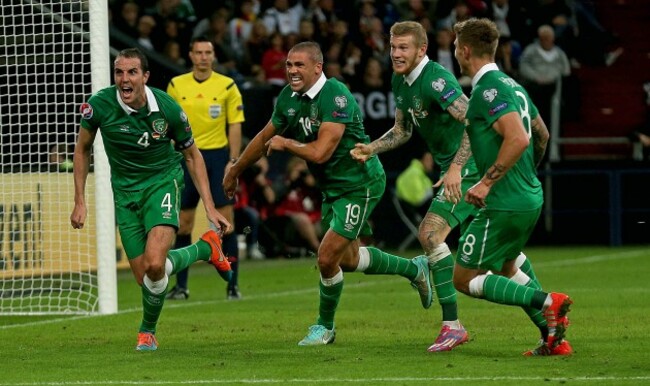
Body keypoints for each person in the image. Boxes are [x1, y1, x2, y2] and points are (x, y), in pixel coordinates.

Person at [351, 20, 547, 353]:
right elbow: (402, 131)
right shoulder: (401, 81)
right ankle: (549, 321)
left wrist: (457, 167)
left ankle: (452, 325)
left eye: (403, 48)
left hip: (469, 168)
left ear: (421, 50)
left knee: (430, 233)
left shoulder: (437, 79)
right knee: (506, 262)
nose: (396, 54)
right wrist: (372, 147)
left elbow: (473, 118)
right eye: (393, 46)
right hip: (457, 168)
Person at [223, 41, 433, 346]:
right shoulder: (289, 98)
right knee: (346, 260)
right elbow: (264, 136)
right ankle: (414, 268)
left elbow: (321, 152)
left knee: (325, 257)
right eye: (289, 65)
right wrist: (236, 169)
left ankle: (325, 327)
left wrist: (288, 144)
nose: (292, 71)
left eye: (299, 65)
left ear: (317, 67)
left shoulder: (336, 96)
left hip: (359, 183)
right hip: (333, 187)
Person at [70, 47, 232, 351]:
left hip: (163, 182)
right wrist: (80, 199)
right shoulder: (99, 105)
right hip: (124, 192)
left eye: (132, 72)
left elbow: (192, 155)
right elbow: (82, 149)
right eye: (119, 72)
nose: (124, 79)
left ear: (145, 76)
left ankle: (147, 331)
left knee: (156, 264)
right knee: (146, 276)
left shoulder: (167, 108)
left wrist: (209, 206)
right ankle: (204, 248)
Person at [452, 17, 573, 356]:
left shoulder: (487, 91)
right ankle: (554, 339)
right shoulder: (514, 86)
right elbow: (542, 135)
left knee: (463, 278)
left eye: (455, 47)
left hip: (503, 203)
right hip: (527, 196)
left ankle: (548, 301)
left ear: (464, 50)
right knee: (507, 265)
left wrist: (488, 182)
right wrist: (524, 177)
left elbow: (518, 137)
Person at [165, 36, 245, 300]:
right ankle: (182, 286)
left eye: (207, 52)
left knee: (226, 223)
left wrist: (232, 162)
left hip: (215, 159)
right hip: (186, 156)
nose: (202, 57)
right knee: (184, 224)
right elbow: (167, 124)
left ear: (213, 56)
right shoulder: (176, 85)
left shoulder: (227, 86)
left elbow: (235, 124)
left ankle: (232, 284)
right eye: (198, 52)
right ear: (190, 55)